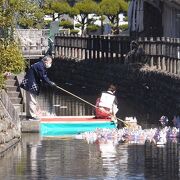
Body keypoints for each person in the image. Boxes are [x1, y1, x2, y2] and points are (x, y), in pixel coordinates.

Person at [20, 55, 56, 120]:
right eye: (50, 62)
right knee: (32, 100)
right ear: (46, 61)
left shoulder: (40, 64)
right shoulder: (40, 66)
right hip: (30, 84)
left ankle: (29, 115)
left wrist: (49, 82)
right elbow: (43, 77)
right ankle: (32, 115)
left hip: (30, 84)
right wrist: (50, 83)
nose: (50, 64)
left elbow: (43, 76)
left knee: (30, 100)